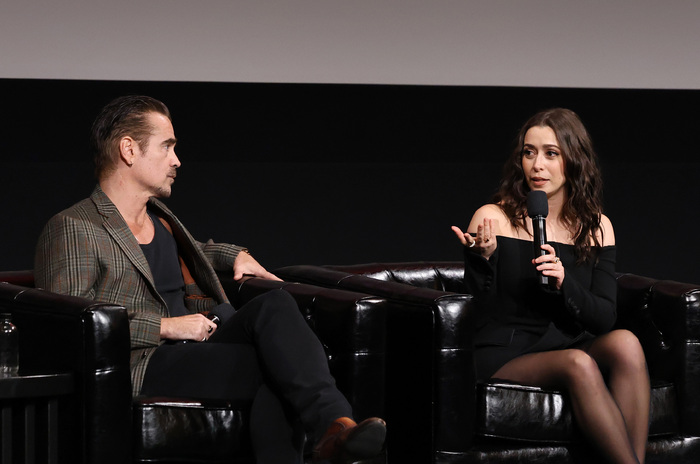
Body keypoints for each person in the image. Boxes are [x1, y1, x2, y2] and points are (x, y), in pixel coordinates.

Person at [34, 95, 386, 464]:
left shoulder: (161, 220)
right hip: (143, 361)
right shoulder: (74, 227)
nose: (176, 160)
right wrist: (167, 327)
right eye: (167, 146)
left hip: (198, 347)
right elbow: (72, 324)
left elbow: (197, 250)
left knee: (276, 304)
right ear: (128, 150)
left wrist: (233, 254)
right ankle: (332, 437)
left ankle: (337, 425)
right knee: (275, 370)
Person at [451, 108, 649, 464]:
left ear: (574, 160)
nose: (537, 165)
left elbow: (604, 317)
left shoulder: (597, 226)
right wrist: (482, 261)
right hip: (507, 352)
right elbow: (478, 315)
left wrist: (564, 283)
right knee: (578, 364)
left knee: (626, 342)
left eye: (550, 153)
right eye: (529, 152)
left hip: (568, 340)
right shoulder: (493, 218)